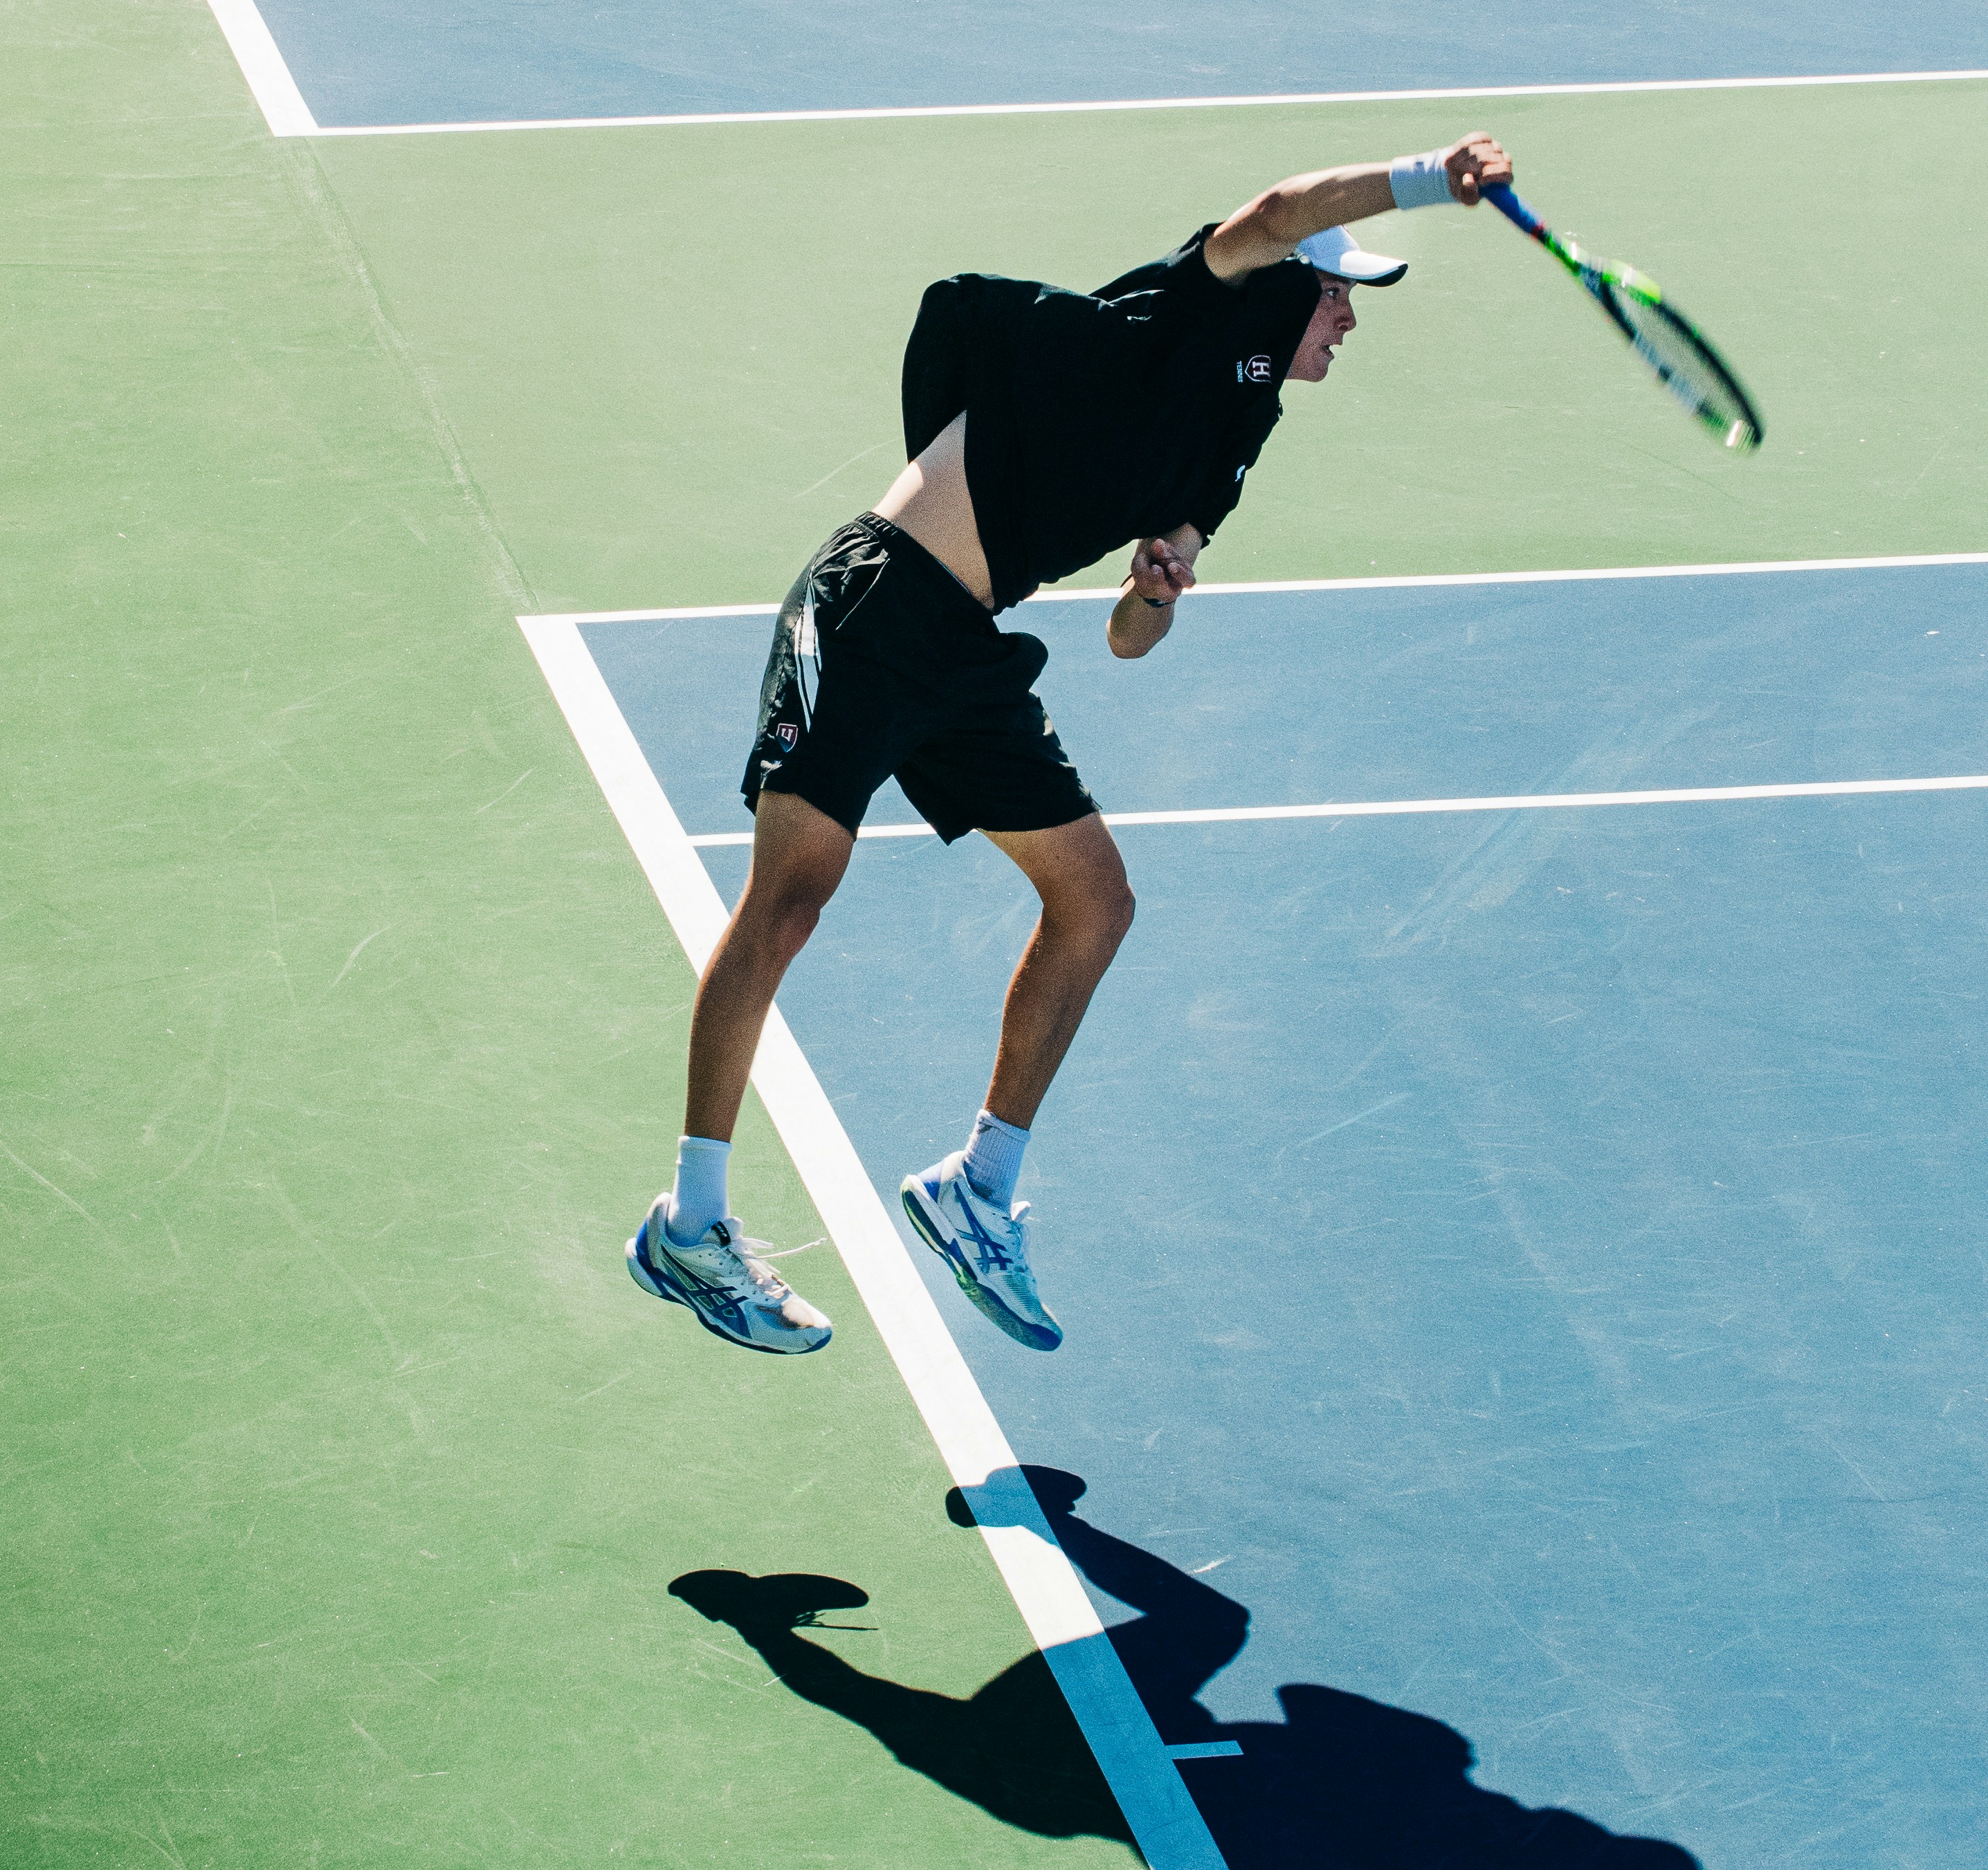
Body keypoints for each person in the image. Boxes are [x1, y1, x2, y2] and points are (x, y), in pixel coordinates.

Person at [628, 132, 1515, 1355]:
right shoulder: (1185, 313)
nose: (1349, 321)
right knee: (789, 902)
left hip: (970, 655)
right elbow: (1278, 203)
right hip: (880, 602)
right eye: (1335, 293)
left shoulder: (1231, 438)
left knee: (1095, 901)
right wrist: (1429, 177)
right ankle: (692, 1224)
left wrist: (1158, 584)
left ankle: (977, 1192)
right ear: (1276, 289)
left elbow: (1125, 643)